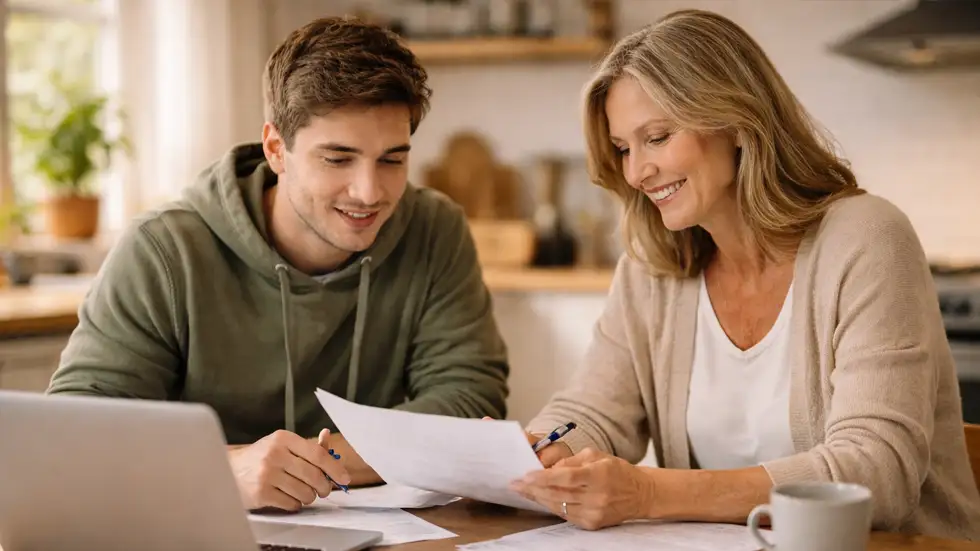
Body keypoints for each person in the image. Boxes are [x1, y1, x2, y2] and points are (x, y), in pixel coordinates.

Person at [509, 9, 980, 540]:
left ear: (735, 121)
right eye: (623, 149)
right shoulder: (652, 268)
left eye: (657, 137)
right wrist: (538, 452)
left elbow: (876, 471)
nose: (637, 172)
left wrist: (649, 493)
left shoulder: (865, 237)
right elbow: (594, 409)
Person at [46, 17, 511, 513]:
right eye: (338, 159)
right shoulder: (163, 250)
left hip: (386, 533)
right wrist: (221, 468)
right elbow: (75, 433)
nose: (369, 192)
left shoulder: (435, 229)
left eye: (392, 160)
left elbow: (469, 399)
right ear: (276, 150)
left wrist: (319, 462)